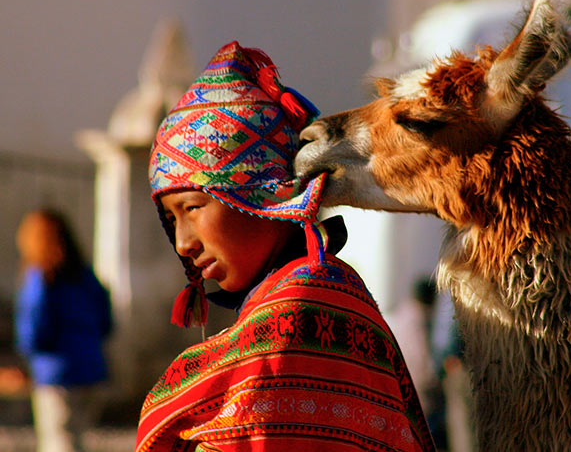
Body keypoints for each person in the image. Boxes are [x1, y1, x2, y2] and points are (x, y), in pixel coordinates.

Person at [135, 41, 436, 451]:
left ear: (259, 194)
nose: (183, 243)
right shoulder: (311, 293)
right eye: (171, 219)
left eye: (192, 207)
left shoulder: (300, 310)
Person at [14, 208, 112, 452]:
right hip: (91, 367)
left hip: (57, 373)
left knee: (59, 442)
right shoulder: (85, 275)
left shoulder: (41, 278)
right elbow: (105, 320)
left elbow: (33, 327)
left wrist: (31, 357)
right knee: (78, 439)